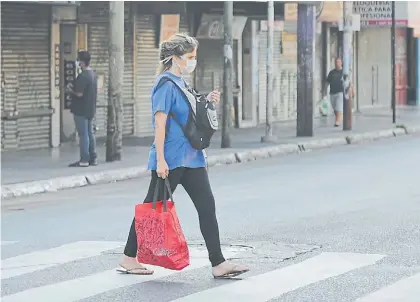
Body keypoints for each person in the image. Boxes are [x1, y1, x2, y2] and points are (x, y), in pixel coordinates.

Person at [117, 33, 249, 279]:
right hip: (172, 158)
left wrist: (207, 100)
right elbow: (159, 123)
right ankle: (128, 257)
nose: (193, 61)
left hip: (192, 157)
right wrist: (161, 160)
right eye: (190, 56)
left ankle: (218, 263)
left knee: (206, 207)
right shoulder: (165, 84)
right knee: (152, 207)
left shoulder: (181, 82)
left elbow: (187, 114)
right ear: (175, 58)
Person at [66, 50, 98, 167]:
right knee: (90, 133)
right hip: (90, 109)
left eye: (78, 60)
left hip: (80, 110)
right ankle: (93, 158)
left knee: (83, 135)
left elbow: (79, 94)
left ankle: (84, 159)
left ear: (82, 62)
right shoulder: (93, 75)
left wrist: (70, 91)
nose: (77, 62)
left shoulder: (83, 76)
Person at [325, 57, 344, 127]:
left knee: (338, 107)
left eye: (339, 62)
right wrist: (324, 91)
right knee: (335, 108)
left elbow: (349, 81)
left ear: (341, 63)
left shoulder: (344, 72)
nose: (337, 63)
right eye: (336, 62)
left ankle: (337, 122)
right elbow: (327, 82)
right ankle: (339, 117)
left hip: (340, 92)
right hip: (332, 93)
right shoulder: (332, 72)